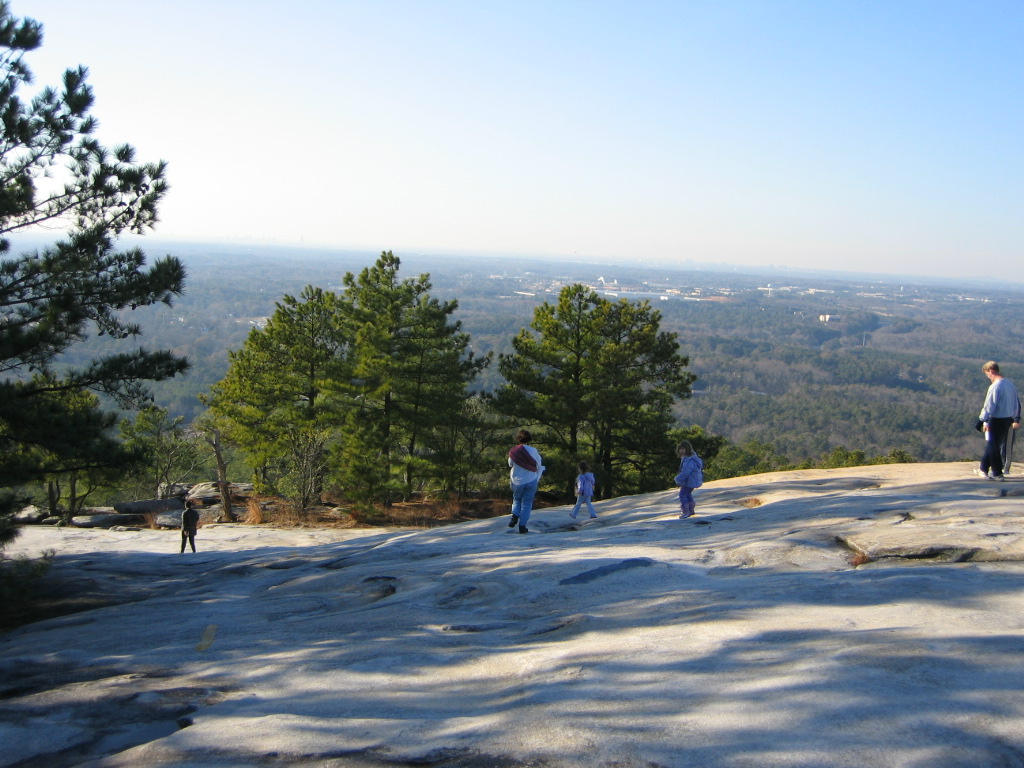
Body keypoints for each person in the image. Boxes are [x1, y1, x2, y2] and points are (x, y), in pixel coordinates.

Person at [977, 361, 1021, 481]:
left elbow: (989, 405)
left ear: (991, 371)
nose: (988, 377)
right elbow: (1016, 403)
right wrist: (1016, 417)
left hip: (995, 419)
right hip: (1007, 419)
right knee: (994, 445)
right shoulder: (1009, 384)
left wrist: (982, 420)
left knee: (993, 445)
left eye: (987, 374)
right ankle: (983, 468)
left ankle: (997, 472)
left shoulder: (995, 386)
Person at [507, 429, 544, 534]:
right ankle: (522, 526)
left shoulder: (514, 451)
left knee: (517, 499)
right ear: (529, 439)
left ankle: (514, 515)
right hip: (531, 479)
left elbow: (510, 464)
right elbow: (539, 463)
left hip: (516, 480)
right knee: (527, 504)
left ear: (518, 438)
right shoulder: (533, 450)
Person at [675, 440, 704, 519]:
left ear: (687, 449)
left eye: (683, 449)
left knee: (682, 495)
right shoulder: (691, 458)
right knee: (687, 494)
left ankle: (686, 511)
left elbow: (685, 472)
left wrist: (677, 479)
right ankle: (691, 510)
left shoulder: (688, 460)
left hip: (689, 481)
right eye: (680, 449)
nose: (681, 451)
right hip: (692, 481)